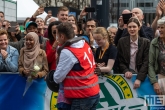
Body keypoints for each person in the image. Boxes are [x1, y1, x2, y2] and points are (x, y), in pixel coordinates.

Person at [53, 22, 100, 109]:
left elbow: (57, 78)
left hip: (81, 96)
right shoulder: (84, 43)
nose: (56, 38)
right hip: (93, 92)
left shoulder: (68, 51)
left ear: (62, 36)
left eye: (57, 35)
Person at [117, 17, 150, 89]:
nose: (132, 29)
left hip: (143, 77)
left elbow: (146, 62)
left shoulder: (146, 42)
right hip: (126, 77)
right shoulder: (121, 41)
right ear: (127, 28)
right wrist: (126, 71)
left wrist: (139, 78)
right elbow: (120, 60)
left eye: (134, 27)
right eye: (130, 27)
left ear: (139, 28)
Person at [148, 17, 165, 95]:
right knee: (163, 104)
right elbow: (150, 64)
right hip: (161, 77)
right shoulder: (154, 42)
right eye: (159, 27)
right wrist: (154, 82)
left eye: (162, 27)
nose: (160, 30)